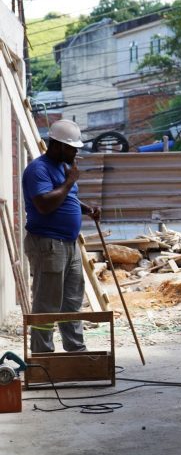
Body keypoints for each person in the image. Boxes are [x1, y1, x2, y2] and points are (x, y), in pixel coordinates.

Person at [22, 119, 101, 353]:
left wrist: (85, 209)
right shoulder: (39, 169)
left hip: (68, 243)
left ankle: (75, 349)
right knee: (47, 303)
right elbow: (44, 204)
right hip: (48, 243)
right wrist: (69, 182)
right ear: (56, 145)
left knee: (72, 300)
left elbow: (67, 198)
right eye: (72, 147)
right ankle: (42, 355)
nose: (76, 151)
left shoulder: (62, 167)